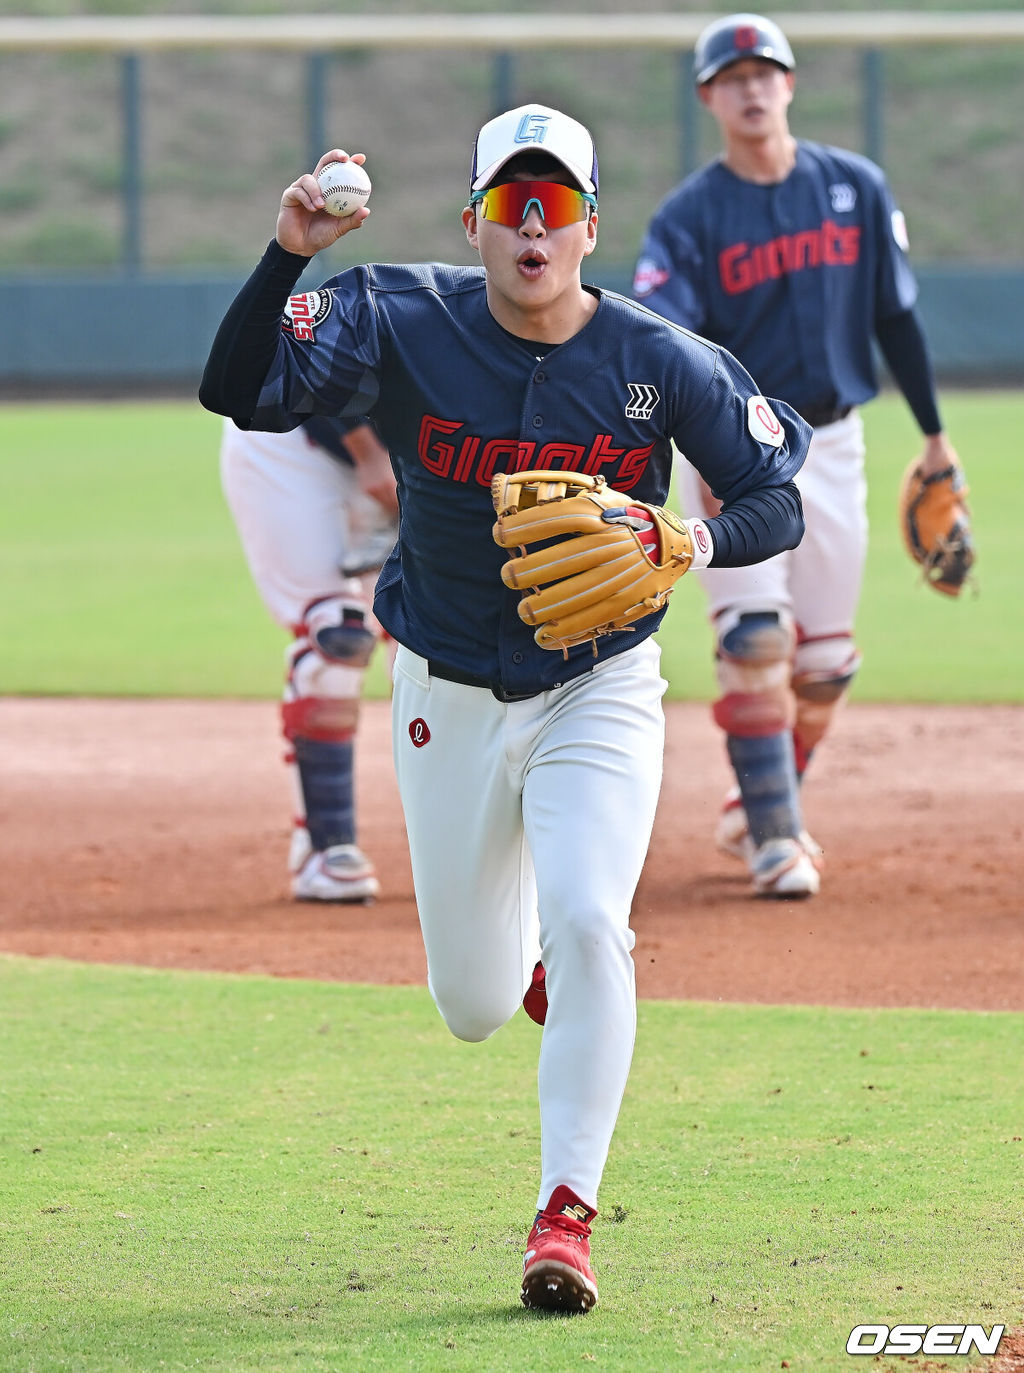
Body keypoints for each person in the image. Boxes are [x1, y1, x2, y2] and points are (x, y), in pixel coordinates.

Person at [200, 102, 810, 1313]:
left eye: (561, 204)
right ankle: (545, 979)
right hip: (444, 687)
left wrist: (690, 536)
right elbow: (238, 387)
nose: (536, 225)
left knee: (592, 920)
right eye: (513, 203)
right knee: (475, 1003)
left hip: (601, 680)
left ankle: (565, 1214)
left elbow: (773, 495)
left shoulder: (657, 359)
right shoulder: (396, 315)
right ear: (474, 218)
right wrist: (289, 253)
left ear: (593, 226)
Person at [633, 13, 965, 899]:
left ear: (789, 82)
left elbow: (896, 319)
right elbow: (668, 342)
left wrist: (935, 437)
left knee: (825, 665)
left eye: (764, 71)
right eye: (731, 76)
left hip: (838, 442)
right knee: (756, 635)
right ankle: (777, 837)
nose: (750, 87)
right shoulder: (689, 217)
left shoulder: (853, 186)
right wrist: (688, 447)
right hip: (732, 447)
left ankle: (755, 801)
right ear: (708, 96)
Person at [220, 414, 398, 902]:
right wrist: (369, 452)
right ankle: (326, 847)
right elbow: (319, 366)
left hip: (407, 450)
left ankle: (469, 849)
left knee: (434, 646)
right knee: (338, 636)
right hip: (289, 435)